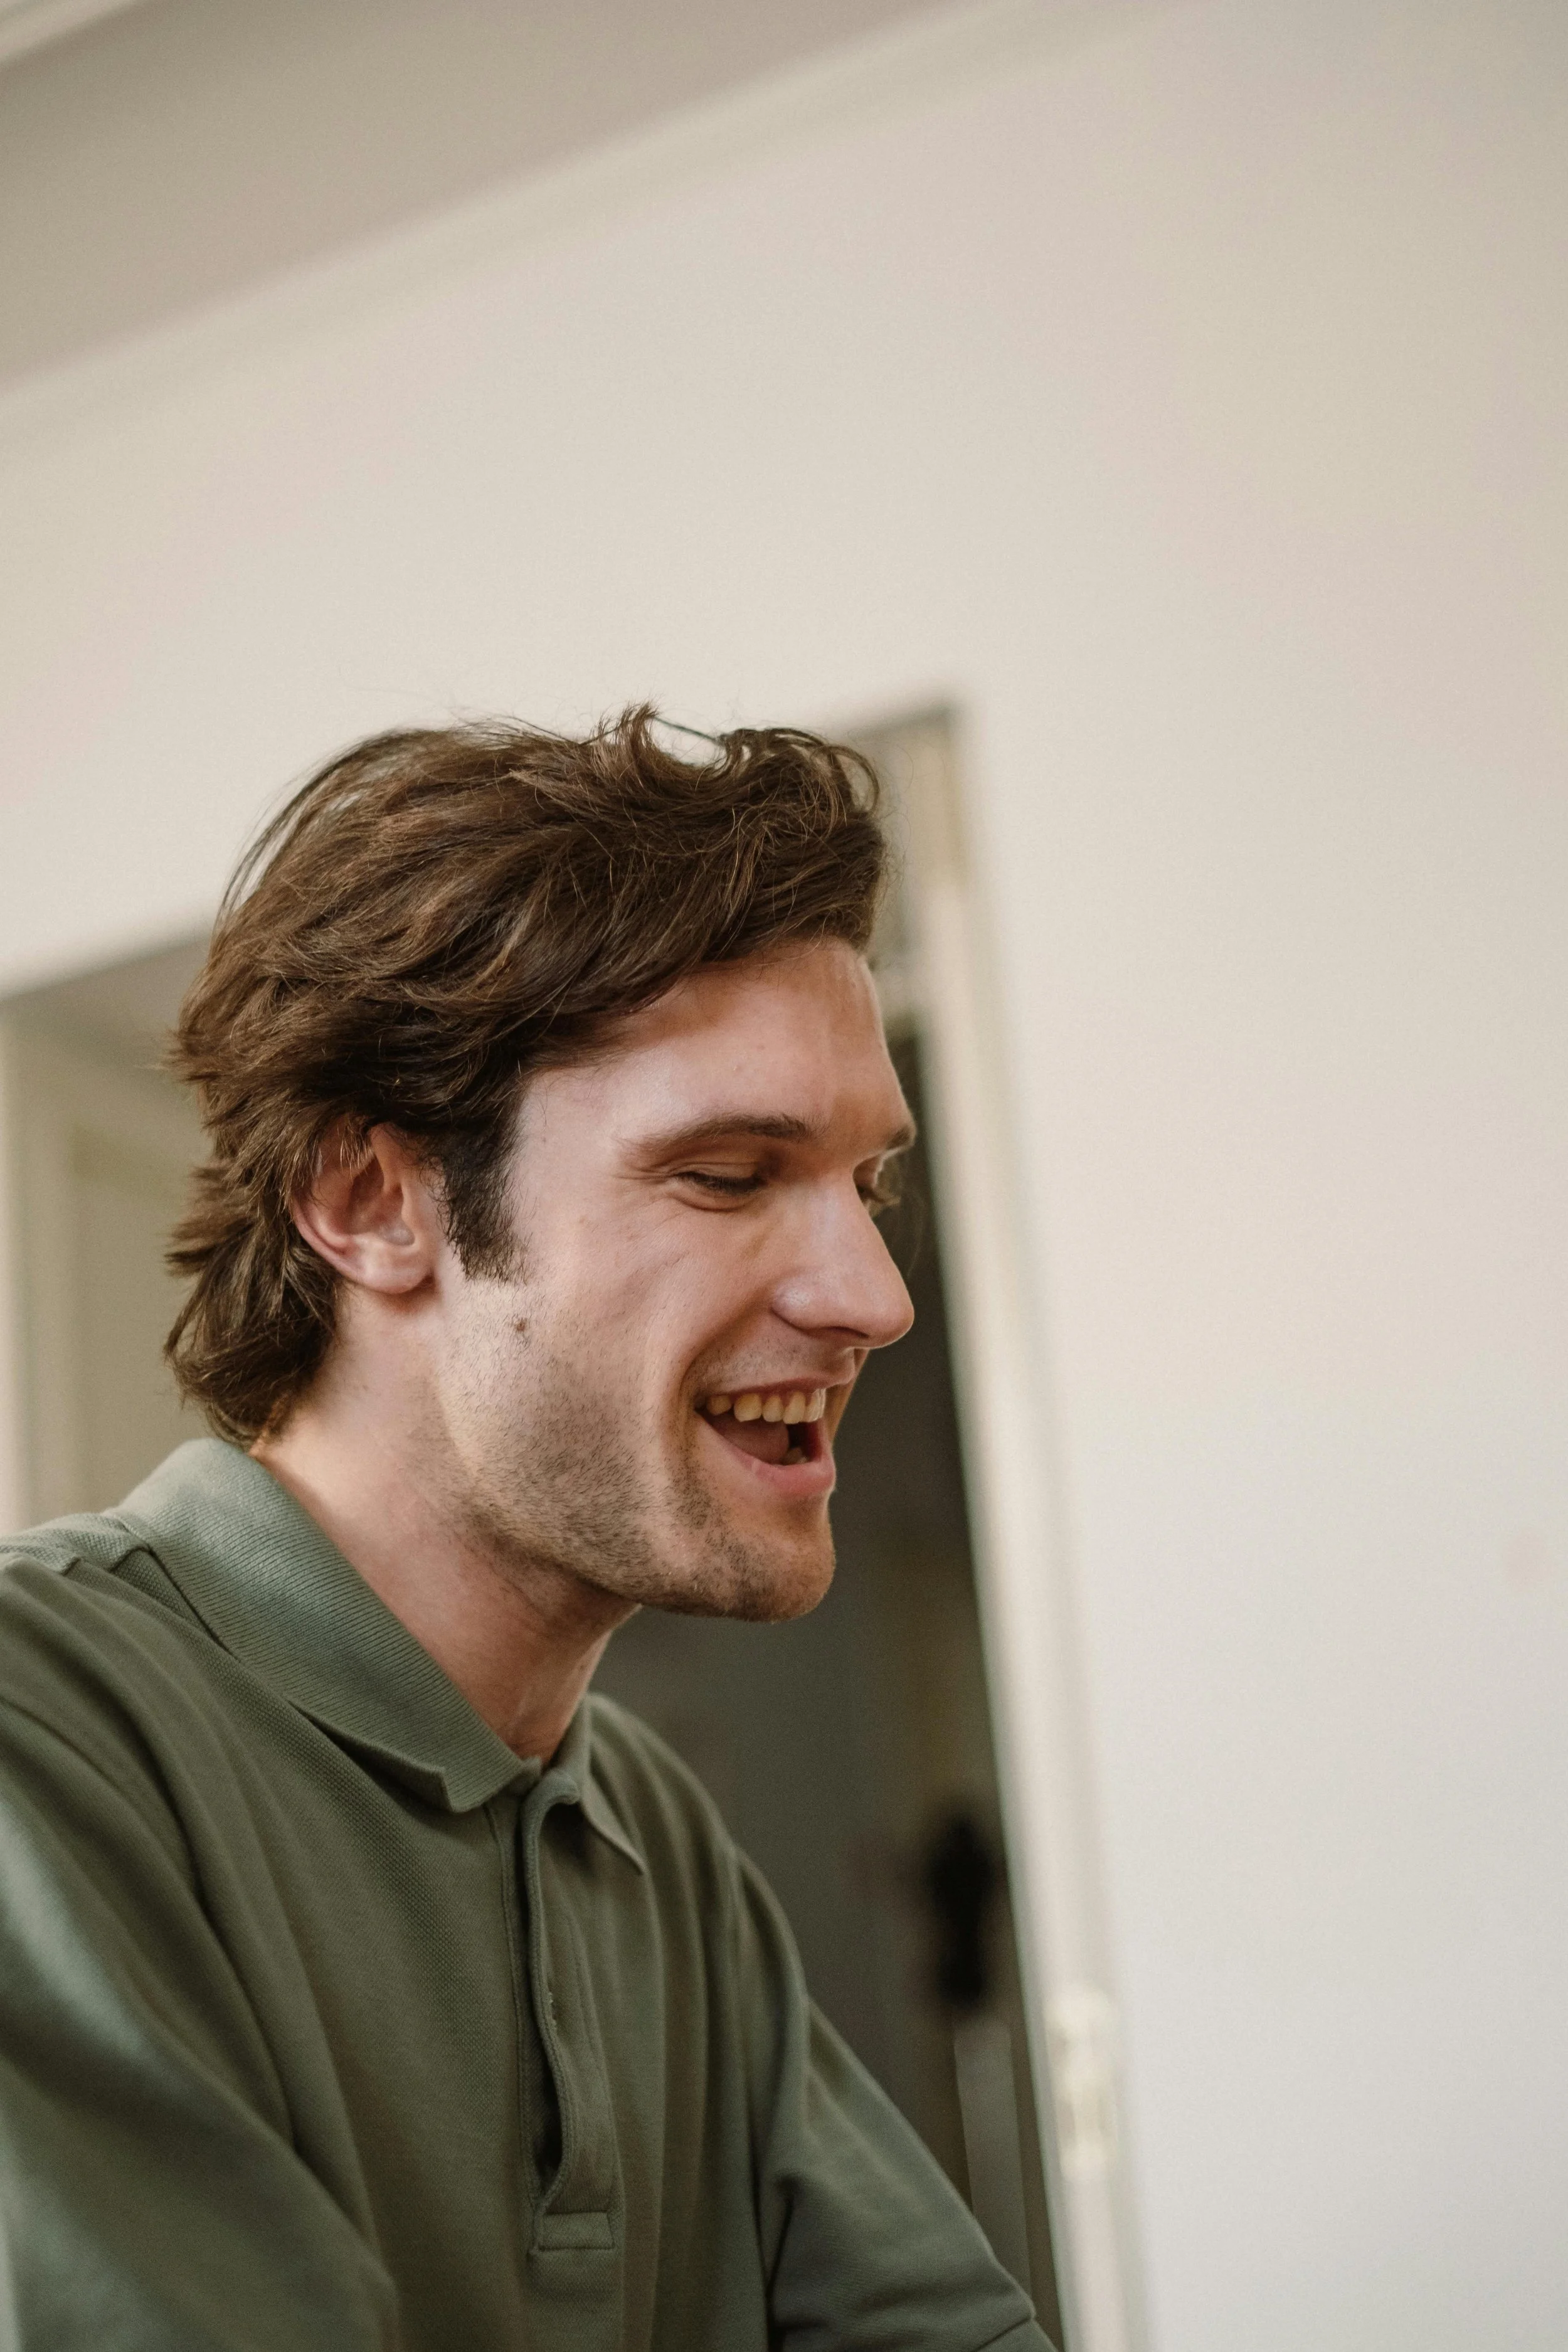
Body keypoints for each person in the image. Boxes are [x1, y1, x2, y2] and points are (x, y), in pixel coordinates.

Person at [0, 710, 1055, 2351]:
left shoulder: (643, 1828)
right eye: (722, 1173)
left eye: (870, 1187)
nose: (874, 1296)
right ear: (371, 1201)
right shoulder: (43, 1738)